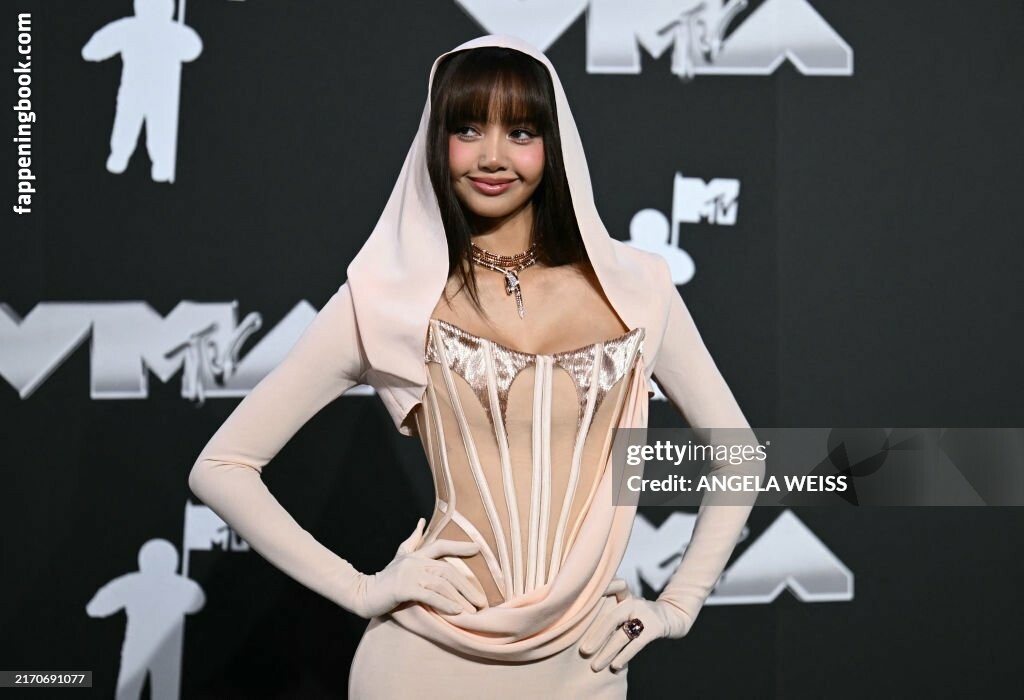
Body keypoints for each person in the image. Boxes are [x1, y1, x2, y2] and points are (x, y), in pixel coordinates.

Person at [188, 34, 764, 699]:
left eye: (520, 132)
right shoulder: (388, 299)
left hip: (585, 664)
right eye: (466, 129)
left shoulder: (639, 288)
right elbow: (221, 467)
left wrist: (676, 608)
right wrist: (362, 589)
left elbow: (741, 456)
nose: (492, 156)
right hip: (424, 661)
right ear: (436, 142)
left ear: (553, 145)